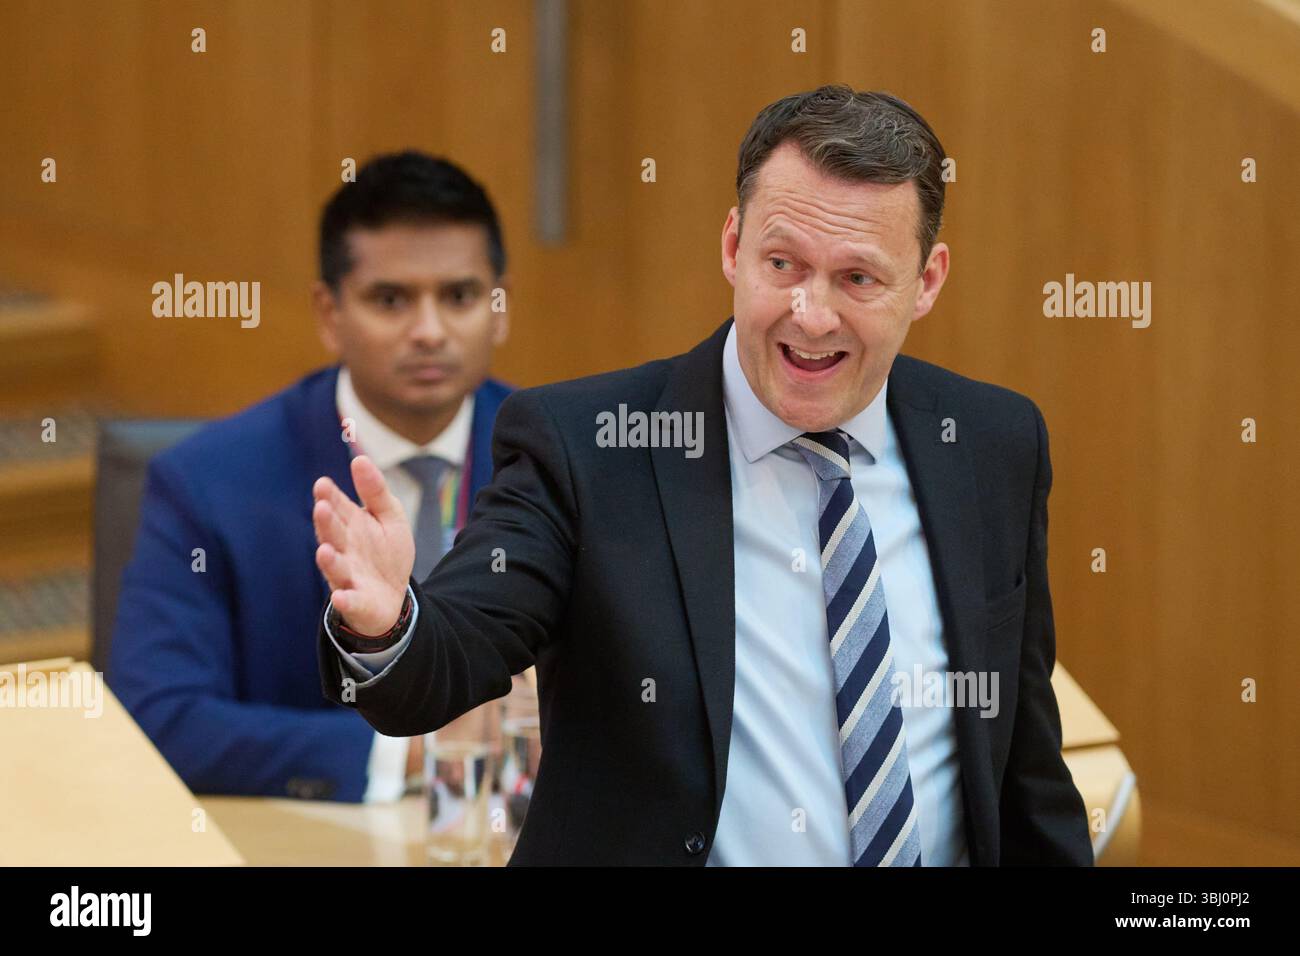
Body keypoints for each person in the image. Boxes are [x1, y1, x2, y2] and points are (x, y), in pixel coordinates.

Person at [312, 87, 1093, 864]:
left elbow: (1024, 762)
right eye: (782, 263)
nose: (810, 314)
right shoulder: (590, 447)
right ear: (732, 246)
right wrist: (389, 628)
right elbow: (451, 659)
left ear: (926, 281)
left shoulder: (992, 442)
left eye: (858, 278)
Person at [110, 151, 513, 801]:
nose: (430, 331)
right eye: (391, 299)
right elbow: (157, 719)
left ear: (500, 308)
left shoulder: (565, 460)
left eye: (460, 296)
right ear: (330, 315)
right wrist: (411, 753)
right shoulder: (207, 483)